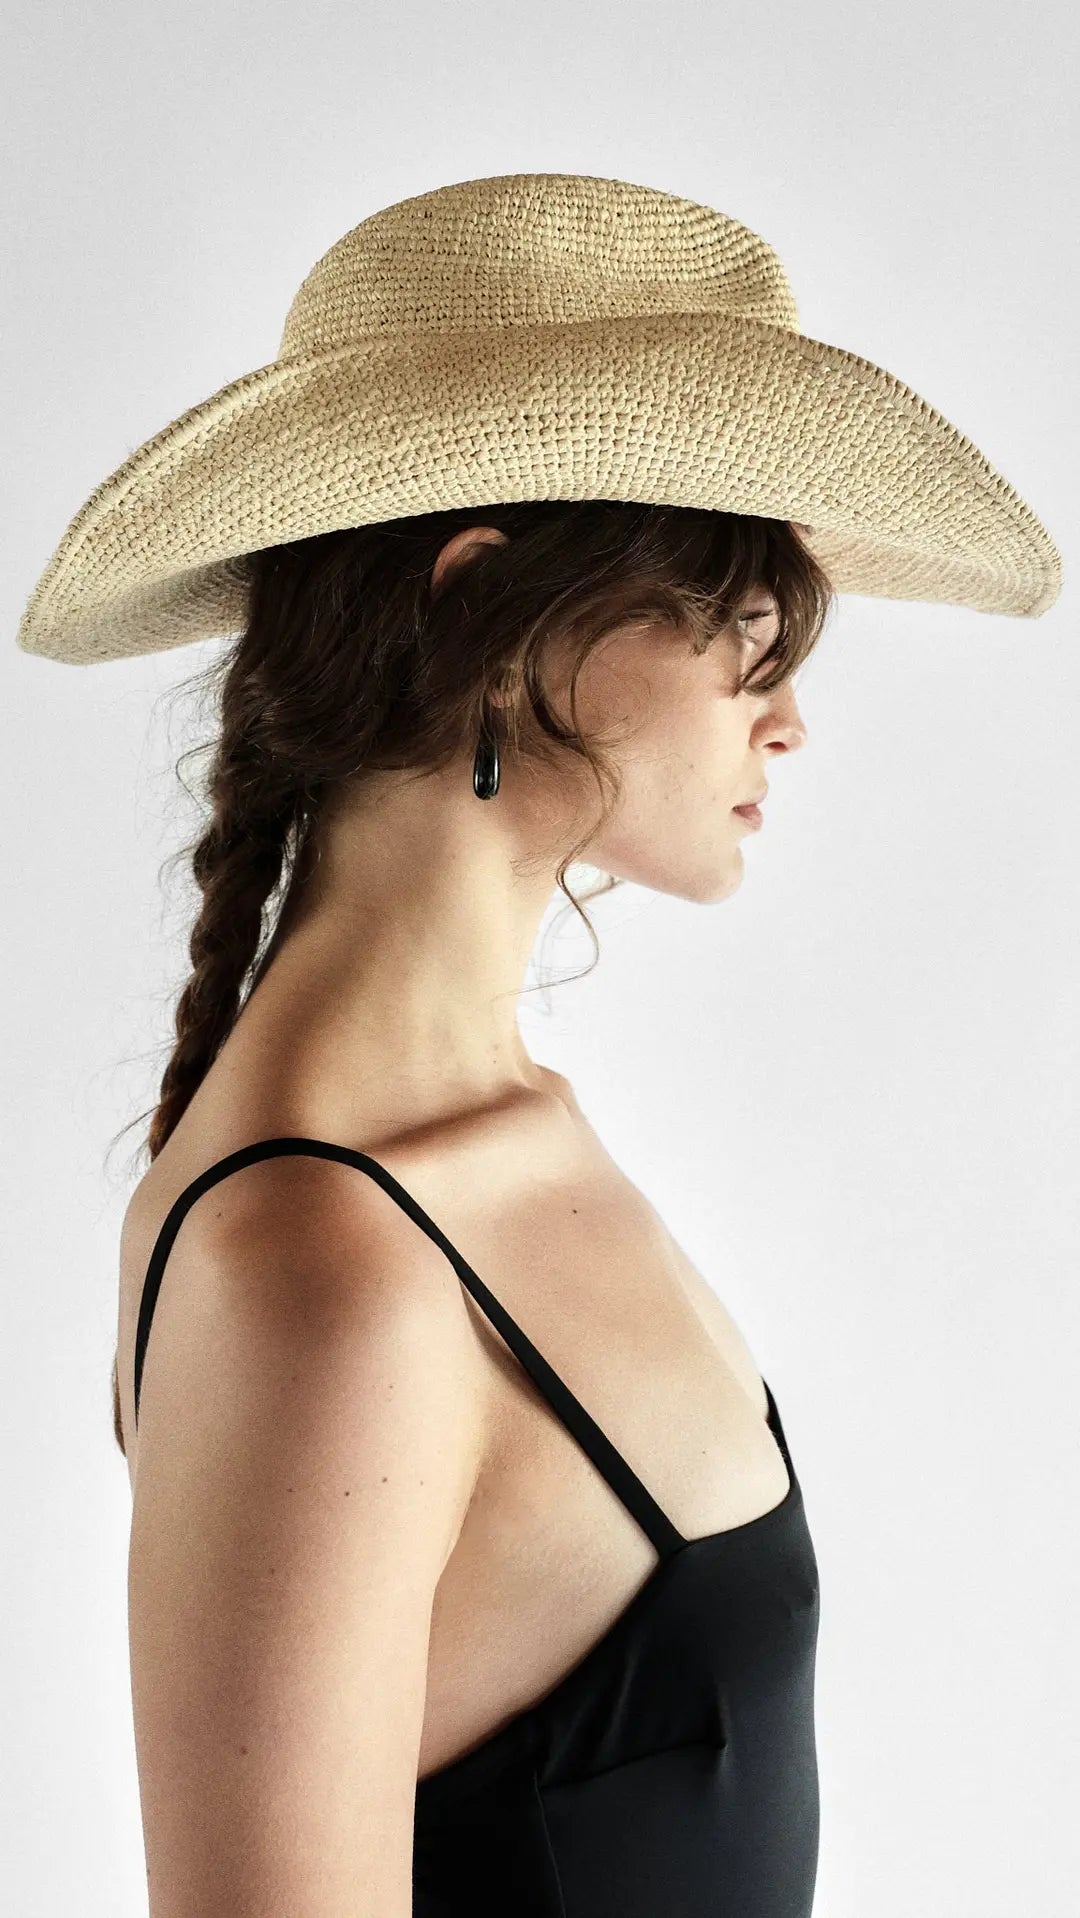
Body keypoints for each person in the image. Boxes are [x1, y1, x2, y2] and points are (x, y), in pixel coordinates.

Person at [16, 173, 1060, 1917]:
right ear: (491, 624)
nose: (789, 716)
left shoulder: (508, 1133)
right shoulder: (320, 1262)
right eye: (746, 634)